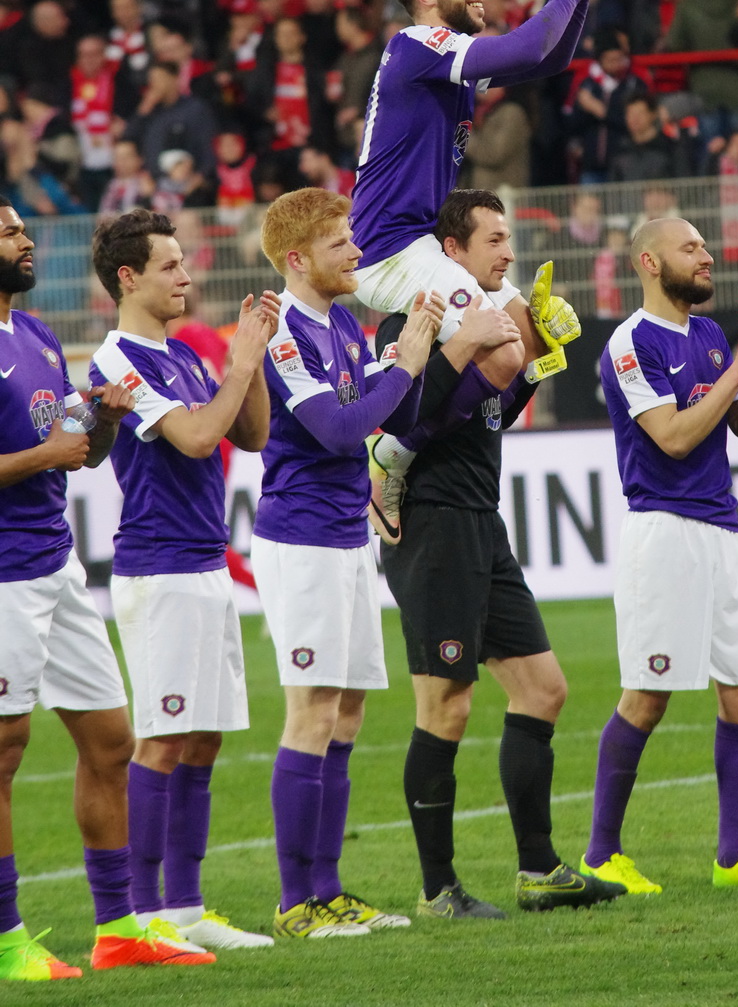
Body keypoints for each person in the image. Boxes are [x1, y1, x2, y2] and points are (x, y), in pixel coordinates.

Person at [378, 188, 627, 916]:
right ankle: (438, 888)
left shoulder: (482, 321)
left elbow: (489, 415)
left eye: (508, 238)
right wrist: (475, 346)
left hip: (479, 522)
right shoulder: (410, 319)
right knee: (444, 705)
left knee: (543, 689)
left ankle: (539, 871)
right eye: (493, 240)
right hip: (432, 527)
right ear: (451, 251)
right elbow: (403, 417)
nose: (508, 254)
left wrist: (539, 358)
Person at [0, 194, 214, 981]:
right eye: (7, 231)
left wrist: (106, 424)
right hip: (3, 577)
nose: (24, 239)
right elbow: (48, 454)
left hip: (56, 567)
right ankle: (7, 940)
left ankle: (118, 927)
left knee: (112, 742)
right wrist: (46, 455)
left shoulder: (37, 335)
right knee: (5, 751)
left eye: (22, 227)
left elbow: (81, 450)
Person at [349, 0, 607, 537]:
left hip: (420, 242)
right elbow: (523, 48)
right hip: (389, 249)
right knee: (504, 348)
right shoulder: (417, 46)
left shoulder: (446, 62)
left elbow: (547, 58)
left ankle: (445, 444)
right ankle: (391, 456)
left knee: (535, 344)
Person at [582, 215, 738, 895]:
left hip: (721, 531)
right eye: (690, 247)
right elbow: (674, 438)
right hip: (664, 532)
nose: (706, 256)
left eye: (705, 245)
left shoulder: (709, 335)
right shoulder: (630, 343)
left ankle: (734, 857)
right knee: (647, 698)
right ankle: (600, 855)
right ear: (650, 262)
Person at [250, 187, 444, 939]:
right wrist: (405, 365)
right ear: (298, 259)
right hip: (301, 541)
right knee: (312, 711)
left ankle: (329, 890)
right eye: (340, 243)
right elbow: (338, 430)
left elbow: (386, 417)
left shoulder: (340, 323)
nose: (357, 252)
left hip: (345, 537)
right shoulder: (284, 331)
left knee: (348, 711)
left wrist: (407, 362)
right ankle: (294, 902)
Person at [89, 207, 279, 951]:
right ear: (128, 277)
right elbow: (200, 437)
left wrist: (249, 359)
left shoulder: (184, 354)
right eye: (169, 265)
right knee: (162, 741)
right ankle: (143, 914)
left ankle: (188, 906)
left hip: (204, 564)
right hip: (160, 569)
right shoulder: (117, 360)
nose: (186, 276)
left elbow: (252, 435)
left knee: (203, 740)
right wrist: (237, 368)